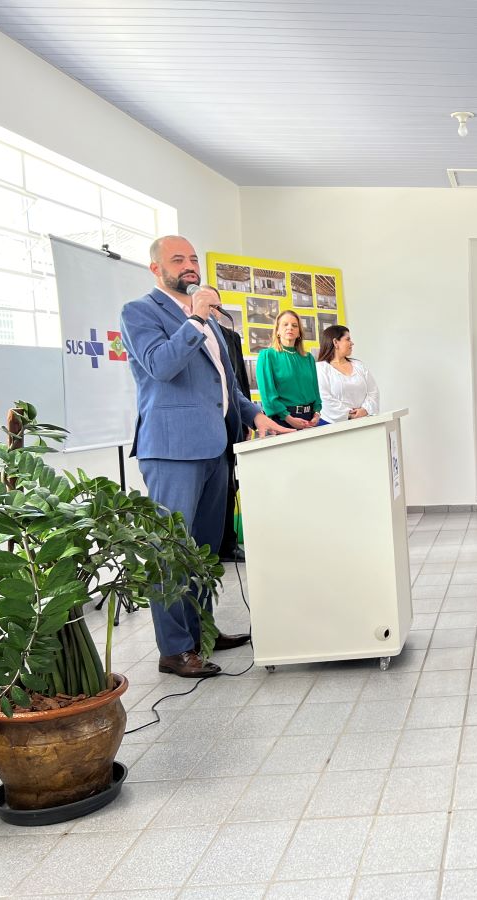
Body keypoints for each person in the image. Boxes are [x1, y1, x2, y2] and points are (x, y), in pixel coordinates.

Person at [120, 235, 291, 678]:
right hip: (172, 449)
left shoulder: (210, 322)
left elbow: (226, 385)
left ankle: (203, 634)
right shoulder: (141, 312)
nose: (190, 265)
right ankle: (175, 649)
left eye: (193, 257)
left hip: (217, 446)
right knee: (172, 550)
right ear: (156, 269)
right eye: (178, 259)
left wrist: (256, 415)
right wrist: (196, 318)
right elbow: (161, 365)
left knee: (204, 550)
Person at [210, 292, 249, 564]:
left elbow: (239, 383)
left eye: (217, 305)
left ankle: (229, 542)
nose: (215, 309)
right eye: (209, 304)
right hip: (208, 423)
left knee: (230, 484)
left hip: (233, 419)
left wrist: (247, 418)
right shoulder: (195, 331)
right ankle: (211, 545)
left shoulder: (231, 336)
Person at [257, 310, 323, 429]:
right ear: (277, 330)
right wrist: (288, 418)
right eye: (285, 324)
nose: (290, 328)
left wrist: (317, 413)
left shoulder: (308, 358)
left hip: (309, 419)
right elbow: (268, 396)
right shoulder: (267, 356)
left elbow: (315, 391)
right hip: (282, 420)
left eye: (294, 325)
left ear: (299, 333)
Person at [316, 325, 380, 424]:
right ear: (335, 342)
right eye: (348, 339)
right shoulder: (321, 368)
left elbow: (373, 391)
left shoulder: (359, 365)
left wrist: (364, 410)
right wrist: (349, 414)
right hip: (332, 426)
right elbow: (324, 398)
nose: (352, 343)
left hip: (363, 422)